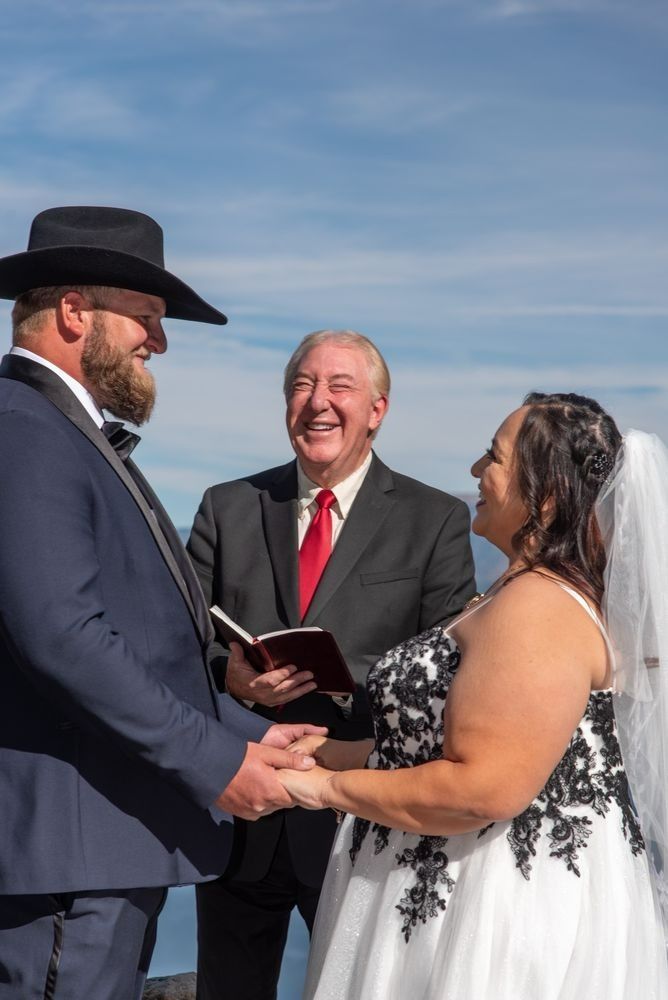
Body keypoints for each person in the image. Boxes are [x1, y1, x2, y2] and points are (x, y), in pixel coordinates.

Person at [0, 206, 323, 1000]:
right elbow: (65, 639)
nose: (161, 340)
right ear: (76, 311)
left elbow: (149, 647)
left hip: (100, 855)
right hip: (71, 866)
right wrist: (217, 763)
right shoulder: (26, 429)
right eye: (147, 317)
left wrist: (253, 732)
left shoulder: (59, 428)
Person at [281, 392, 668, 999]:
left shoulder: (537, 610)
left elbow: (483, 786)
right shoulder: (509, 597)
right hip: (435, 891)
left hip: (488, 914)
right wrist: (327, 751)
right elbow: (437, 743)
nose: (473, 472)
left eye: (494, 457)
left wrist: (321, 789)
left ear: (545, 496)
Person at [187, 329, 477, 1000]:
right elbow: (178, 639)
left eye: (339, 387)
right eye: (301, 385)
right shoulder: (226, 507)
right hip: (239, 812)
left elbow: (446, 664)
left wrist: (345, 683)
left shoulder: (433, 519)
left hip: (362, 822)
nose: (317, 402)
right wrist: (227, 675)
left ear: (377, 409)